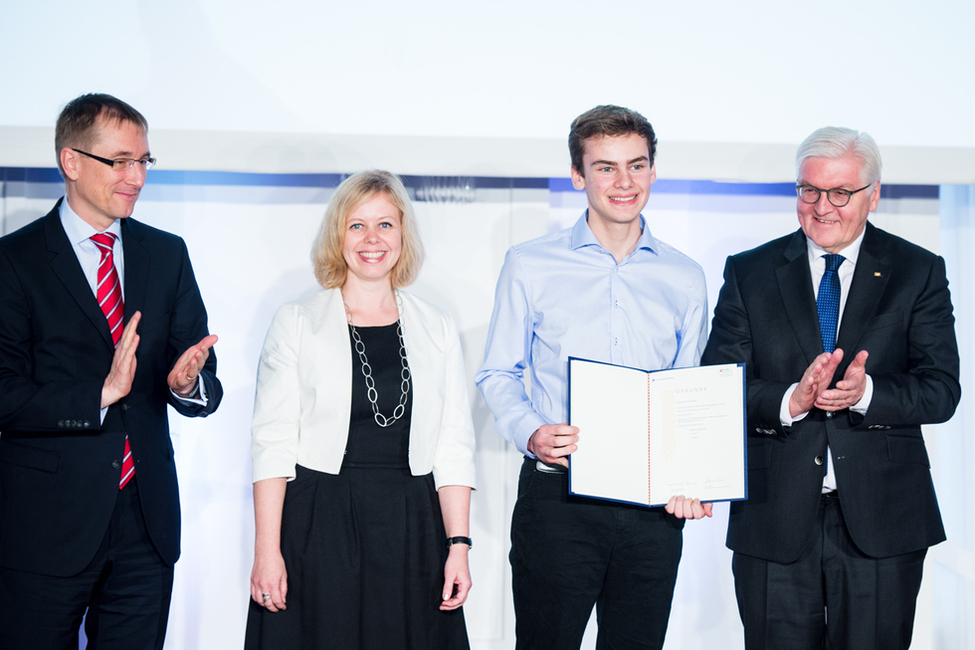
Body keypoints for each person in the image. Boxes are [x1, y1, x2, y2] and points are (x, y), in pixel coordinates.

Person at [701, 126, 961, 649]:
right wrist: (788, 402)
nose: (822, 207)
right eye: (809, 190)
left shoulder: (918, 271)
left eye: (840, 193)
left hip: (884, 520)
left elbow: (940, 391)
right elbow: (717, 387)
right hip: (774, 519)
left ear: (873, 194)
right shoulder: (750, 272)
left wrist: (867, 394)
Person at [475, 105, 712, 650]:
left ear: (653, 171)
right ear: (579, 176)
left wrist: (694, 475)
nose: (623, 182)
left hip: (652, 511)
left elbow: (688, 392)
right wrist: (530, 430)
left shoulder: (685, 277)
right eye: (605, 167)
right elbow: (497, 371)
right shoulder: (529, 264)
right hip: (559, 498)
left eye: (636, 165)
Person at [0, 93, 222, 649]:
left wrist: (188, 382)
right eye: (119, 161)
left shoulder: (166, 254)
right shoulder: (14, 262)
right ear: (71, 162)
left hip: (145, 526)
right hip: (46, 528)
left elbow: (199, 367)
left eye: (143, 161)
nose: (136, 177)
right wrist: (96, 395)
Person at [245, 170, 477, 649]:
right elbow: (272, 444)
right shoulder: (297, 323)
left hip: (412, 524)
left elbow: (454, 444)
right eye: (357, 225)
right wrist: (267, 550)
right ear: (338, 235)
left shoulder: (437, 326)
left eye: (385, 225)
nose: (372, 239)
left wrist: (458, 546)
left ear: (403, 234)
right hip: (318, 522)